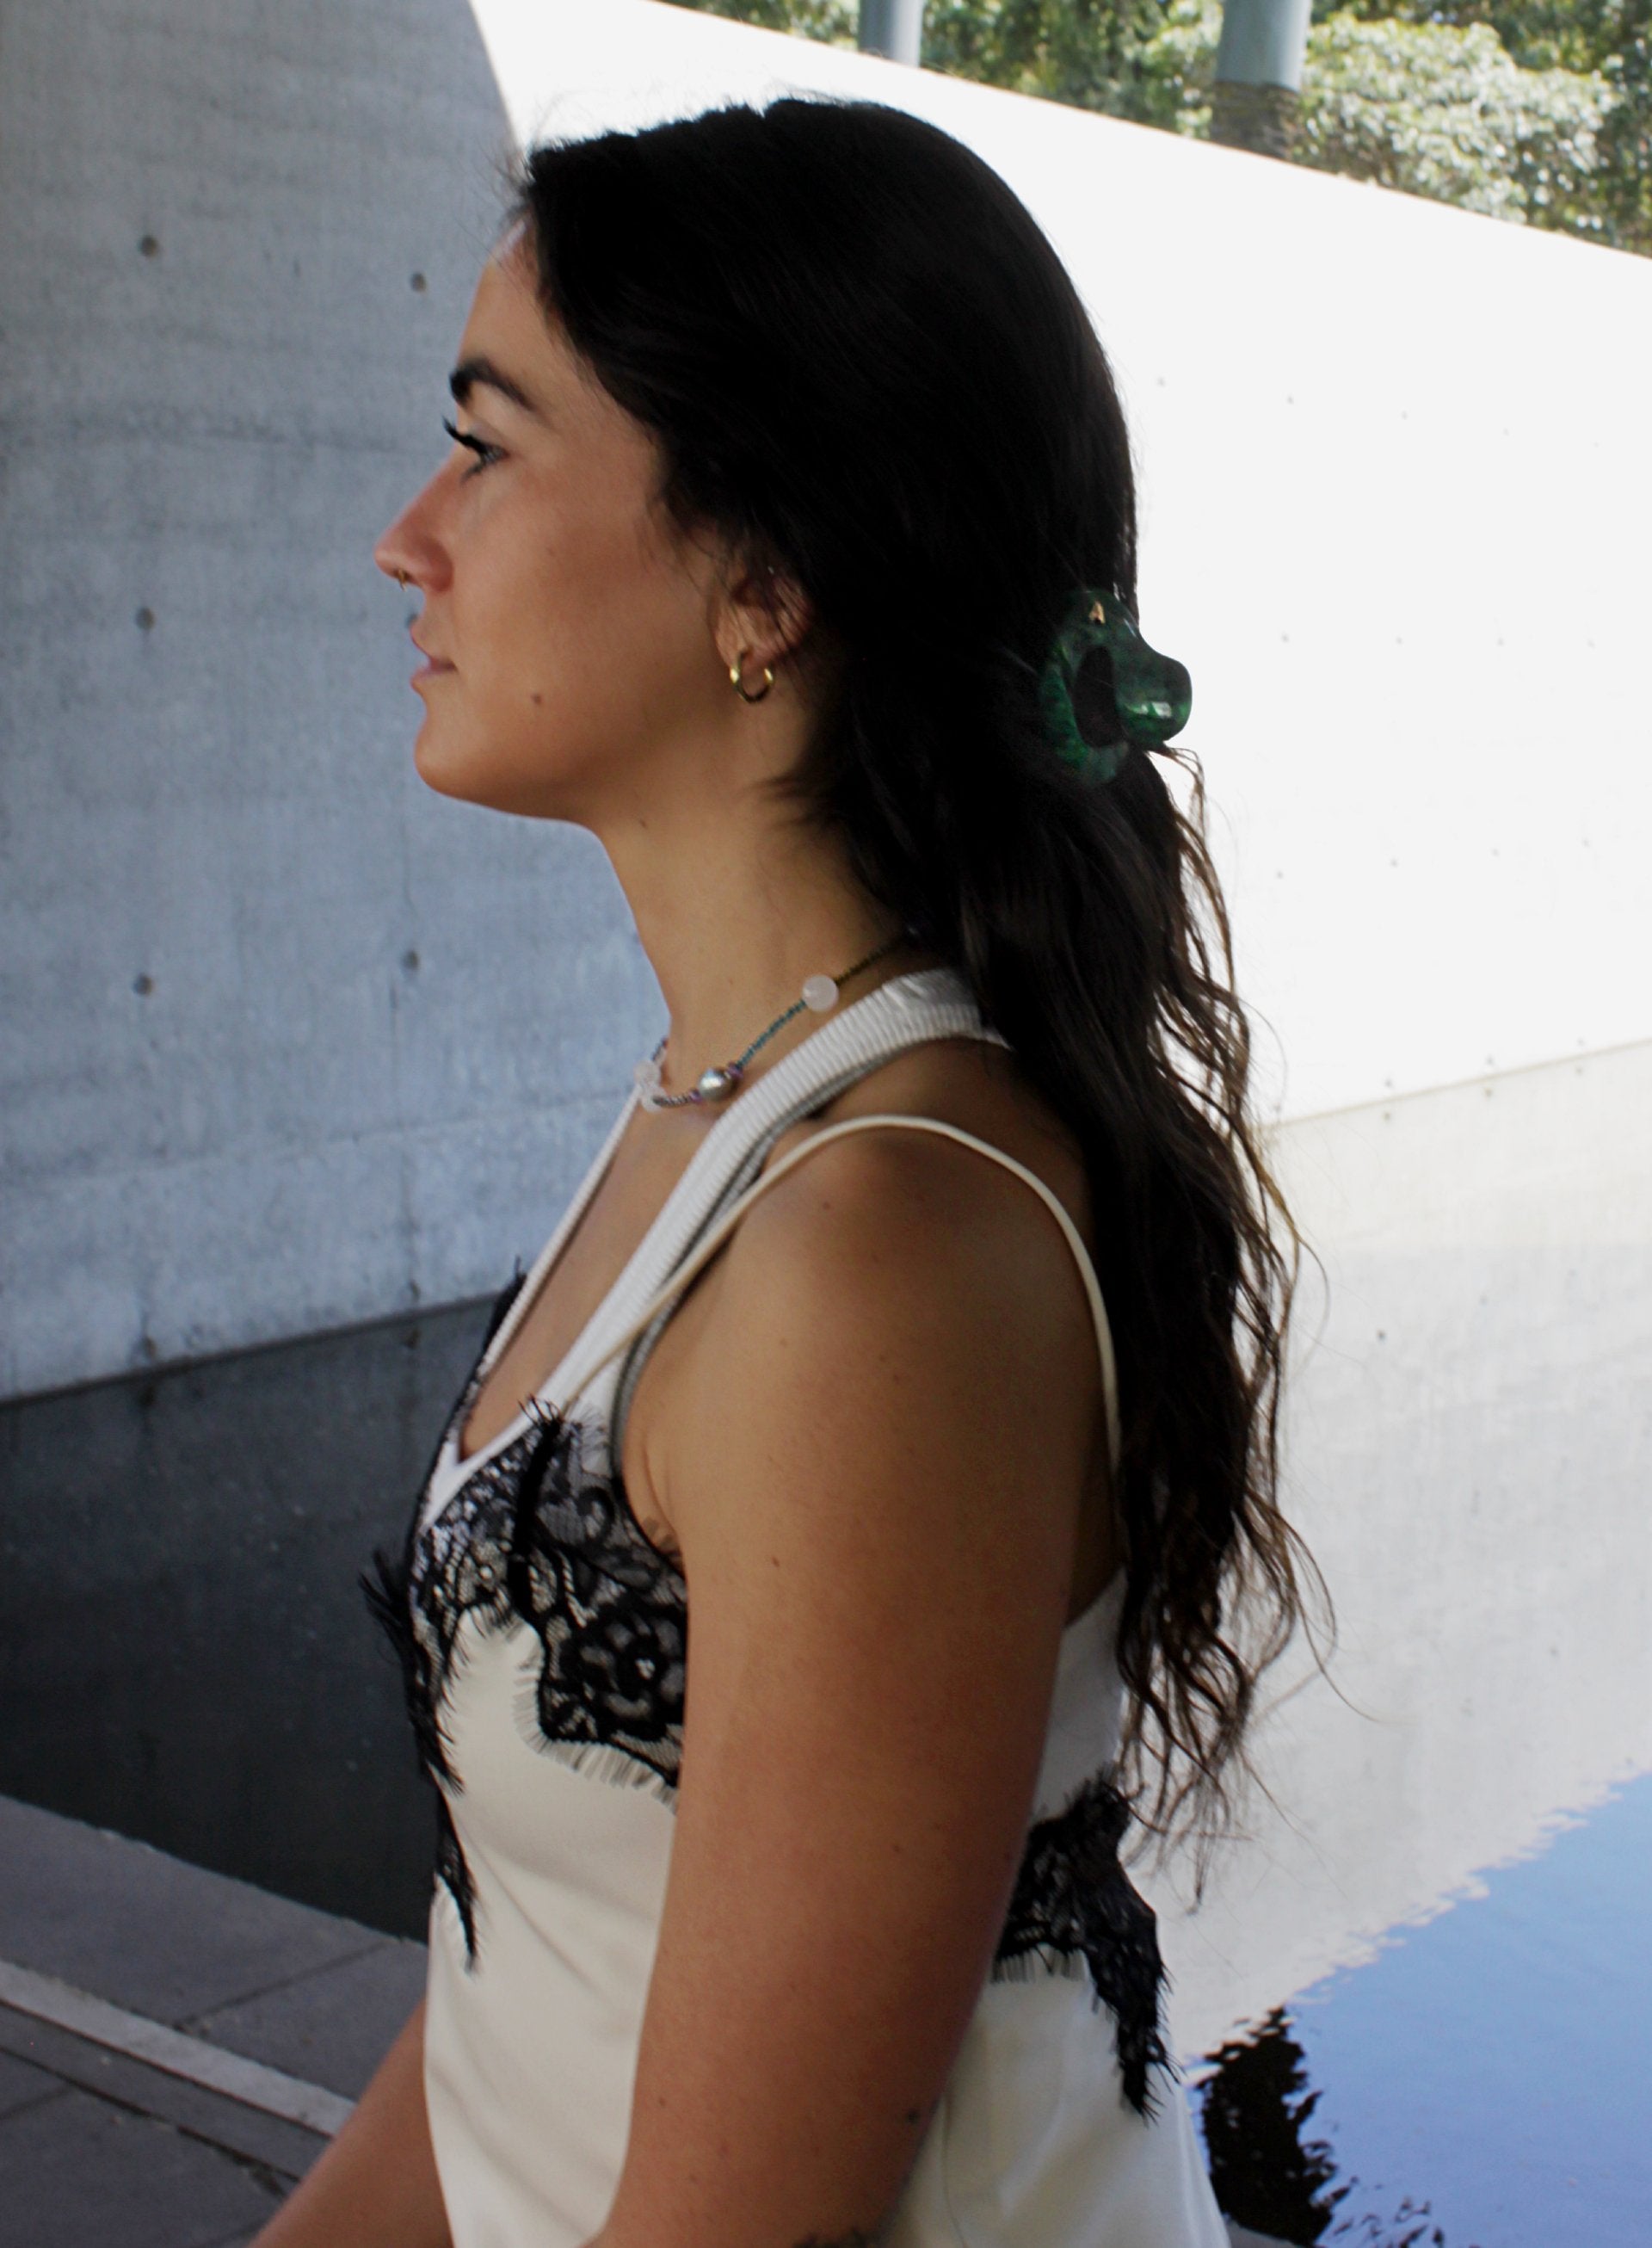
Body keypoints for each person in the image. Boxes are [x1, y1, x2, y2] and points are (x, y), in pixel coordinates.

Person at [255, 96, 1307, 2248]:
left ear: (762, 580)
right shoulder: (719, 1113)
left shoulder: (881, 1250)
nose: (408, 535)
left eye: (489, 444)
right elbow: (527, 1969)